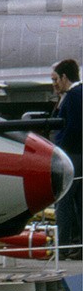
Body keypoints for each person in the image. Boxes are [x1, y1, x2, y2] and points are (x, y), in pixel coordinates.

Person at [54, 59, 82, 260]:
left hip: (72, 154)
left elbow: (72, 127)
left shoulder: (72, 96)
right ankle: (78, 244)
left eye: (56, 79)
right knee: (80, 203)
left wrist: (58, 149)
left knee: (62, 200)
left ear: (64, 77)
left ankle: (62, 246)